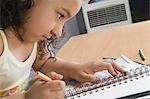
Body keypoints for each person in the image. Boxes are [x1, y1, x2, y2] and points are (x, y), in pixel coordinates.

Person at [0, 0, 125, 99]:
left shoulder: (34, 40)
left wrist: (76, 69)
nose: (58, 32)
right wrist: (26, 97)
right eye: (60, 15)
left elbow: (44, 63)